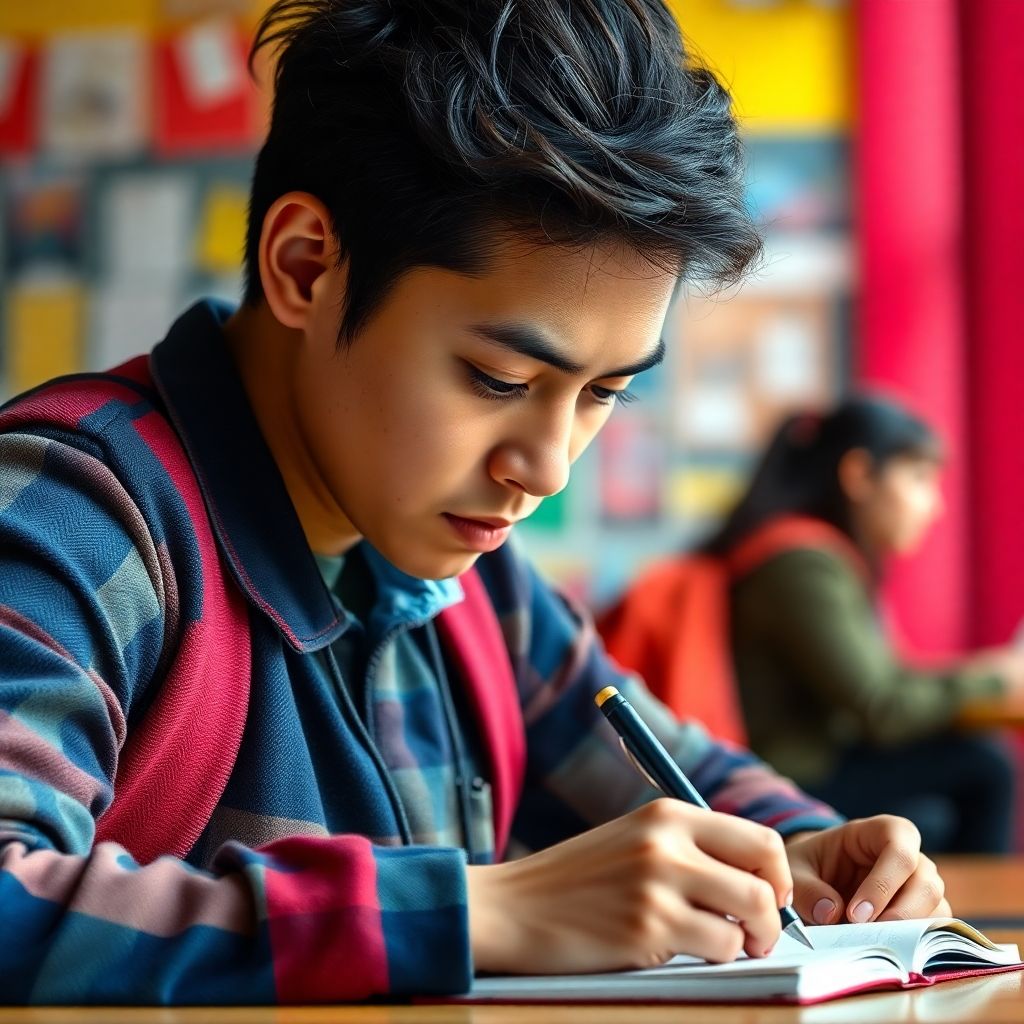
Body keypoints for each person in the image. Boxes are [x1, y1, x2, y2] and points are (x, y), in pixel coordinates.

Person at [0, 1, 951, 1005]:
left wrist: (802, 854)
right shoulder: (72, 513)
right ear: (305, 266)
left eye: (603, 393)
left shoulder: (476, 587)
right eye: (499, 377)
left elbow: (669, 771)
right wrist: (481, 910)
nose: (546, 468)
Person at [602, 395, 1024, 854]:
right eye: (920, 479)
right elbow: (880, 707)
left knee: (947, 797)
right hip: (782, 776)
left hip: (809, 762)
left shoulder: (812, 555)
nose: (934, 505)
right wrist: (995, 678)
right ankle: (969, 923)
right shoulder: (801, 563)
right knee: (984, 764)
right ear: (859, 475)